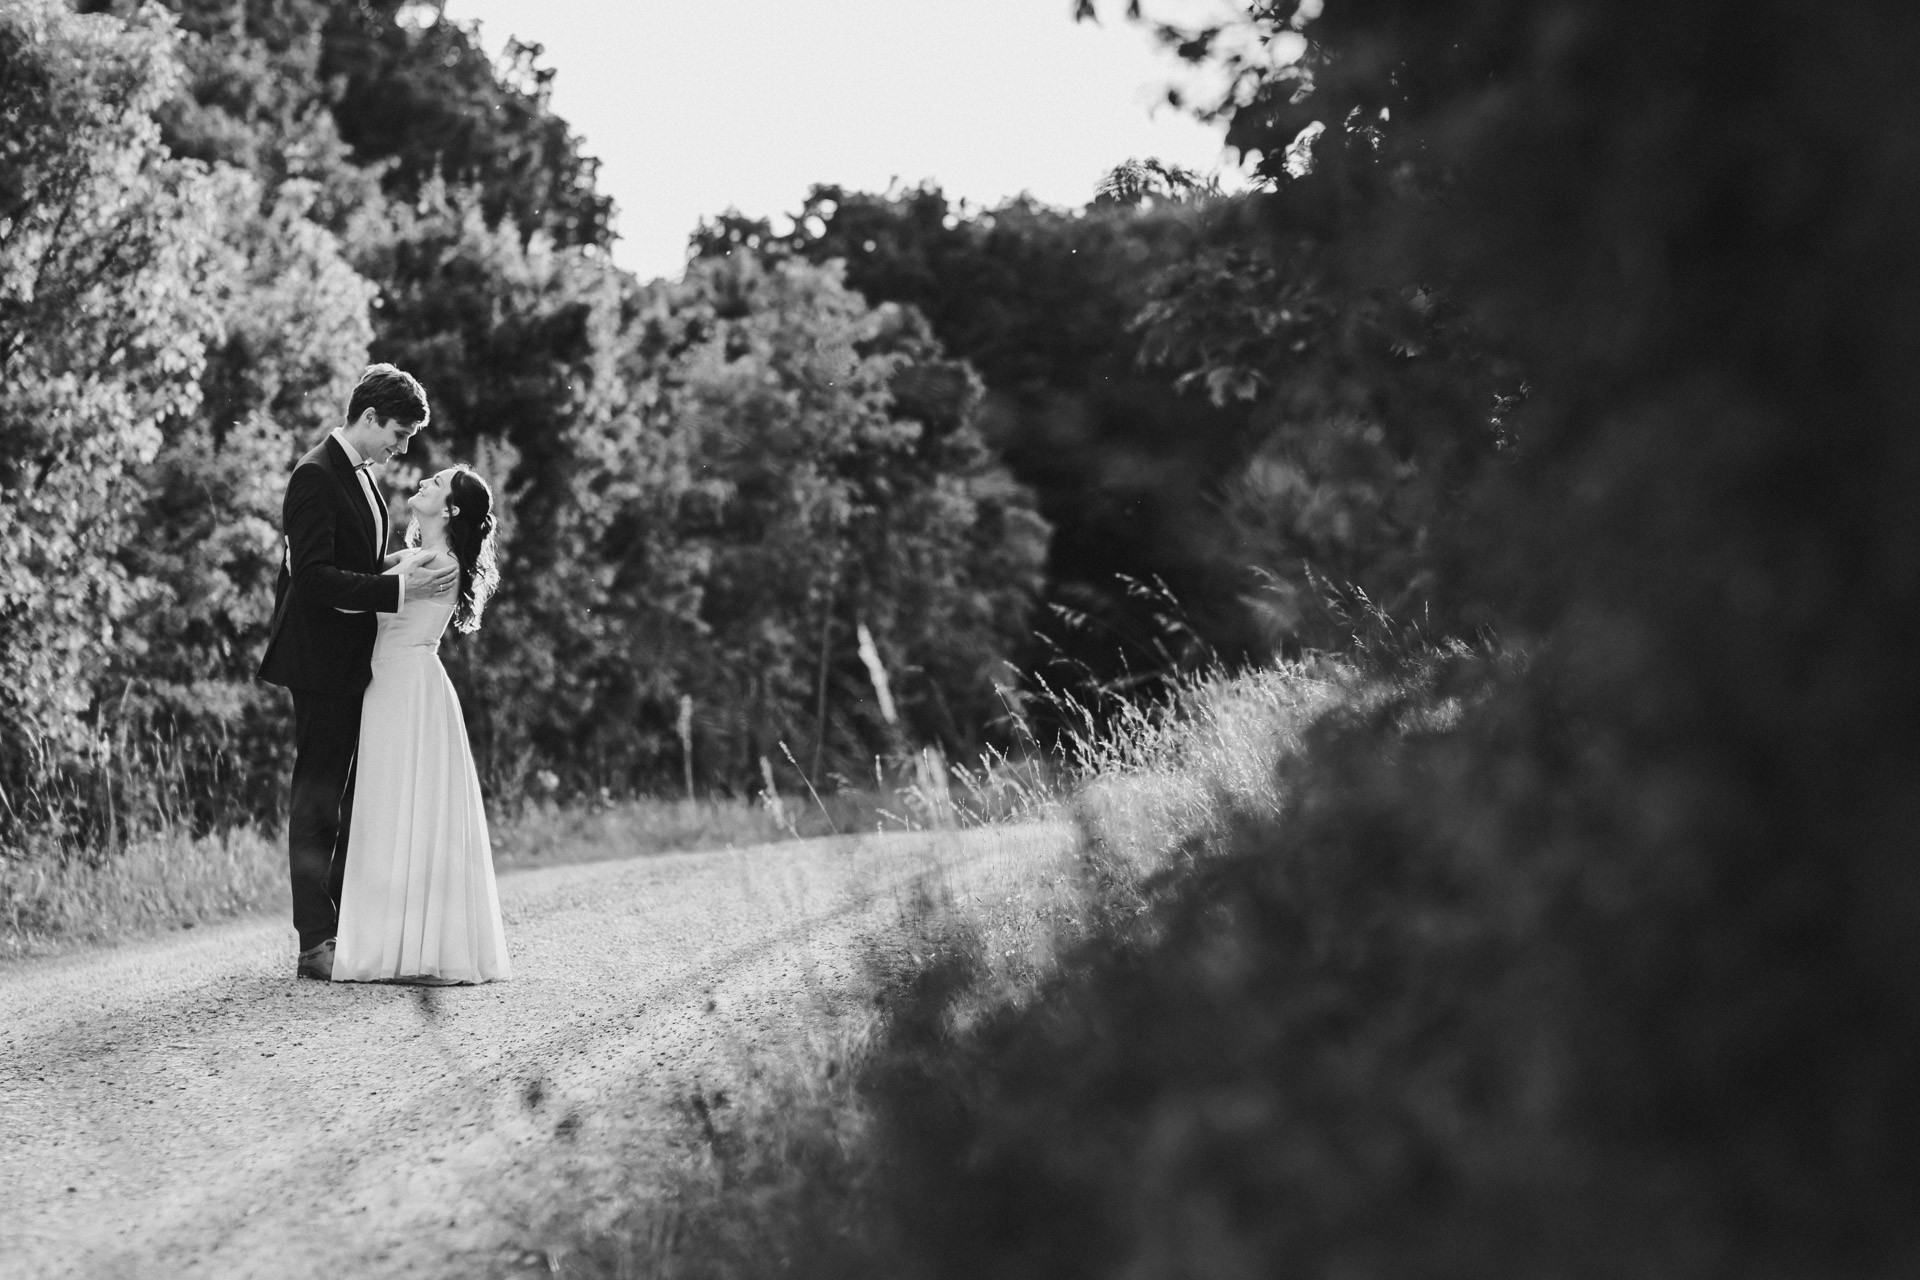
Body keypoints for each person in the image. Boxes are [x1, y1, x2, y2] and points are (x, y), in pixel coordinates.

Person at [257, 365, 457, 981]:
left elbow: (360, 562)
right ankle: (314, 941)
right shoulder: (314, 476)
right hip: (319, 661)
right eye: (397, 434)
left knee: (347, 795)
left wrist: (407, 563)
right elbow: (314, 581)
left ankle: (344, 928)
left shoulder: (364, 477)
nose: (401, 448)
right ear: (368, 418)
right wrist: (400, 588)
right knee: (318, 794)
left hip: (355, 659)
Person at [330, 464, 511, 985]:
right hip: (390, 683)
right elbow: (361, 578)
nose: (425, 483)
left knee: (406, 806)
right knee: (390, 807)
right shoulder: (416, 557)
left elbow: (354, 592)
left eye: (437, 483)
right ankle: (396, 946)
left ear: (450, 510)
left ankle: (418, 949)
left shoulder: (441, 565)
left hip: (407, 684)